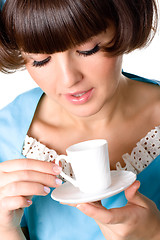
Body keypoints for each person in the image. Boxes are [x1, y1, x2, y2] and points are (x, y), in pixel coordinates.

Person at [0, 0, 160, 239]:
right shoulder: (7, 134)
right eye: (41, 59)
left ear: (121, 24)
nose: (68, 80)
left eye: (88, 49)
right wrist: (6, 229)